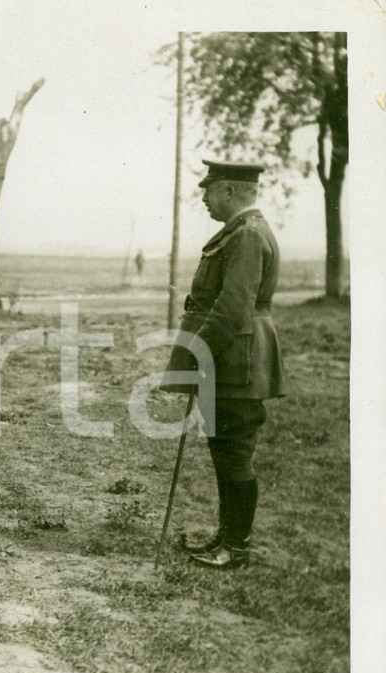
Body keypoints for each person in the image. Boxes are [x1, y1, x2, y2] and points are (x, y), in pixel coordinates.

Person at [161, 159, 287, 570]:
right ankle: (228, 536)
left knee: (234, 452)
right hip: (231, 357)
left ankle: (236, 547)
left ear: (230, 191)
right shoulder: (239, 232)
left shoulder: (247, 235)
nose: (204, 198)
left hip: (237, 358)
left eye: (209, 190)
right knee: (225, 448)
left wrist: (197, 353)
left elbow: (233, 308)